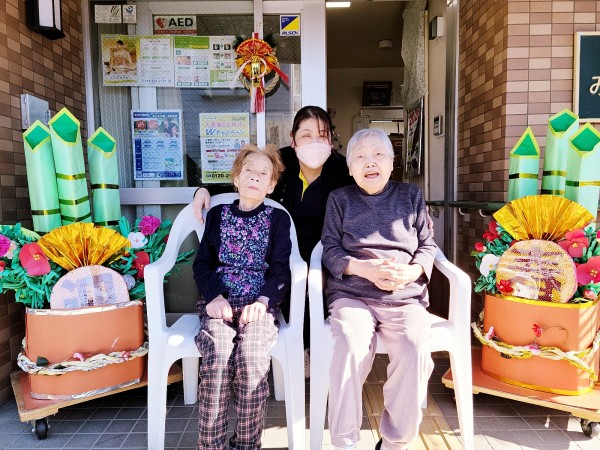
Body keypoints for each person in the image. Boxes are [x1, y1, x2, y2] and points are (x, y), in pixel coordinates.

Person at [193, 106, 354, 368]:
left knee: (316, 285)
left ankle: (314, 351)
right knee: (283, 280)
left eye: (322, 135)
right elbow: (248, 179)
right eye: (306, 135)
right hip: (278, 246)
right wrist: (205, 189)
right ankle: (292, 353)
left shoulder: (341, 169)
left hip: (322, 248)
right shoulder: (283, 160)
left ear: (331, 140)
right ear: (293, 139)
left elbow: (366, 193)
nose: (315, 142)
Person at [321, 128, 437, 450]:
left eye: (378, 155)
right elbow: (329, 249)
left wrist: (411, 272)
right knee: (350, 343)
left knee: (414, 346)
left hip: (404, 296)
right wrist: (364, 269)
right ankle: (345, 441)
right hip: (353, 294)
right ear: (349, 168)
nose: (370, 162)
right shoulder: (339, 199)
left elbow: (428, 246)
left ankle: (395, 442)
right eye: (360, 156)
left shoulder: (411, 196)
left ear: (392, 161)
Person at [193, 144, 291, 450]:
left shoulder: (277, 219)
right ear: (236, 178)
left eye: (264, 173)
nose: (255, 177)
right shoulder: (218, 215)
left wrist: (263, 302)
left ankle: (247, 445)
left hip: (258, 306)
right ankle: (211, 445)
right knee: (218, 355)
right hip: (219, 303)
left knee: (251, 359)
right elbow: (202, 264)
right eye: (249, 170)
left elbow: (280, 270)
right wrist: (214, 297)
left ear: (271, 185)